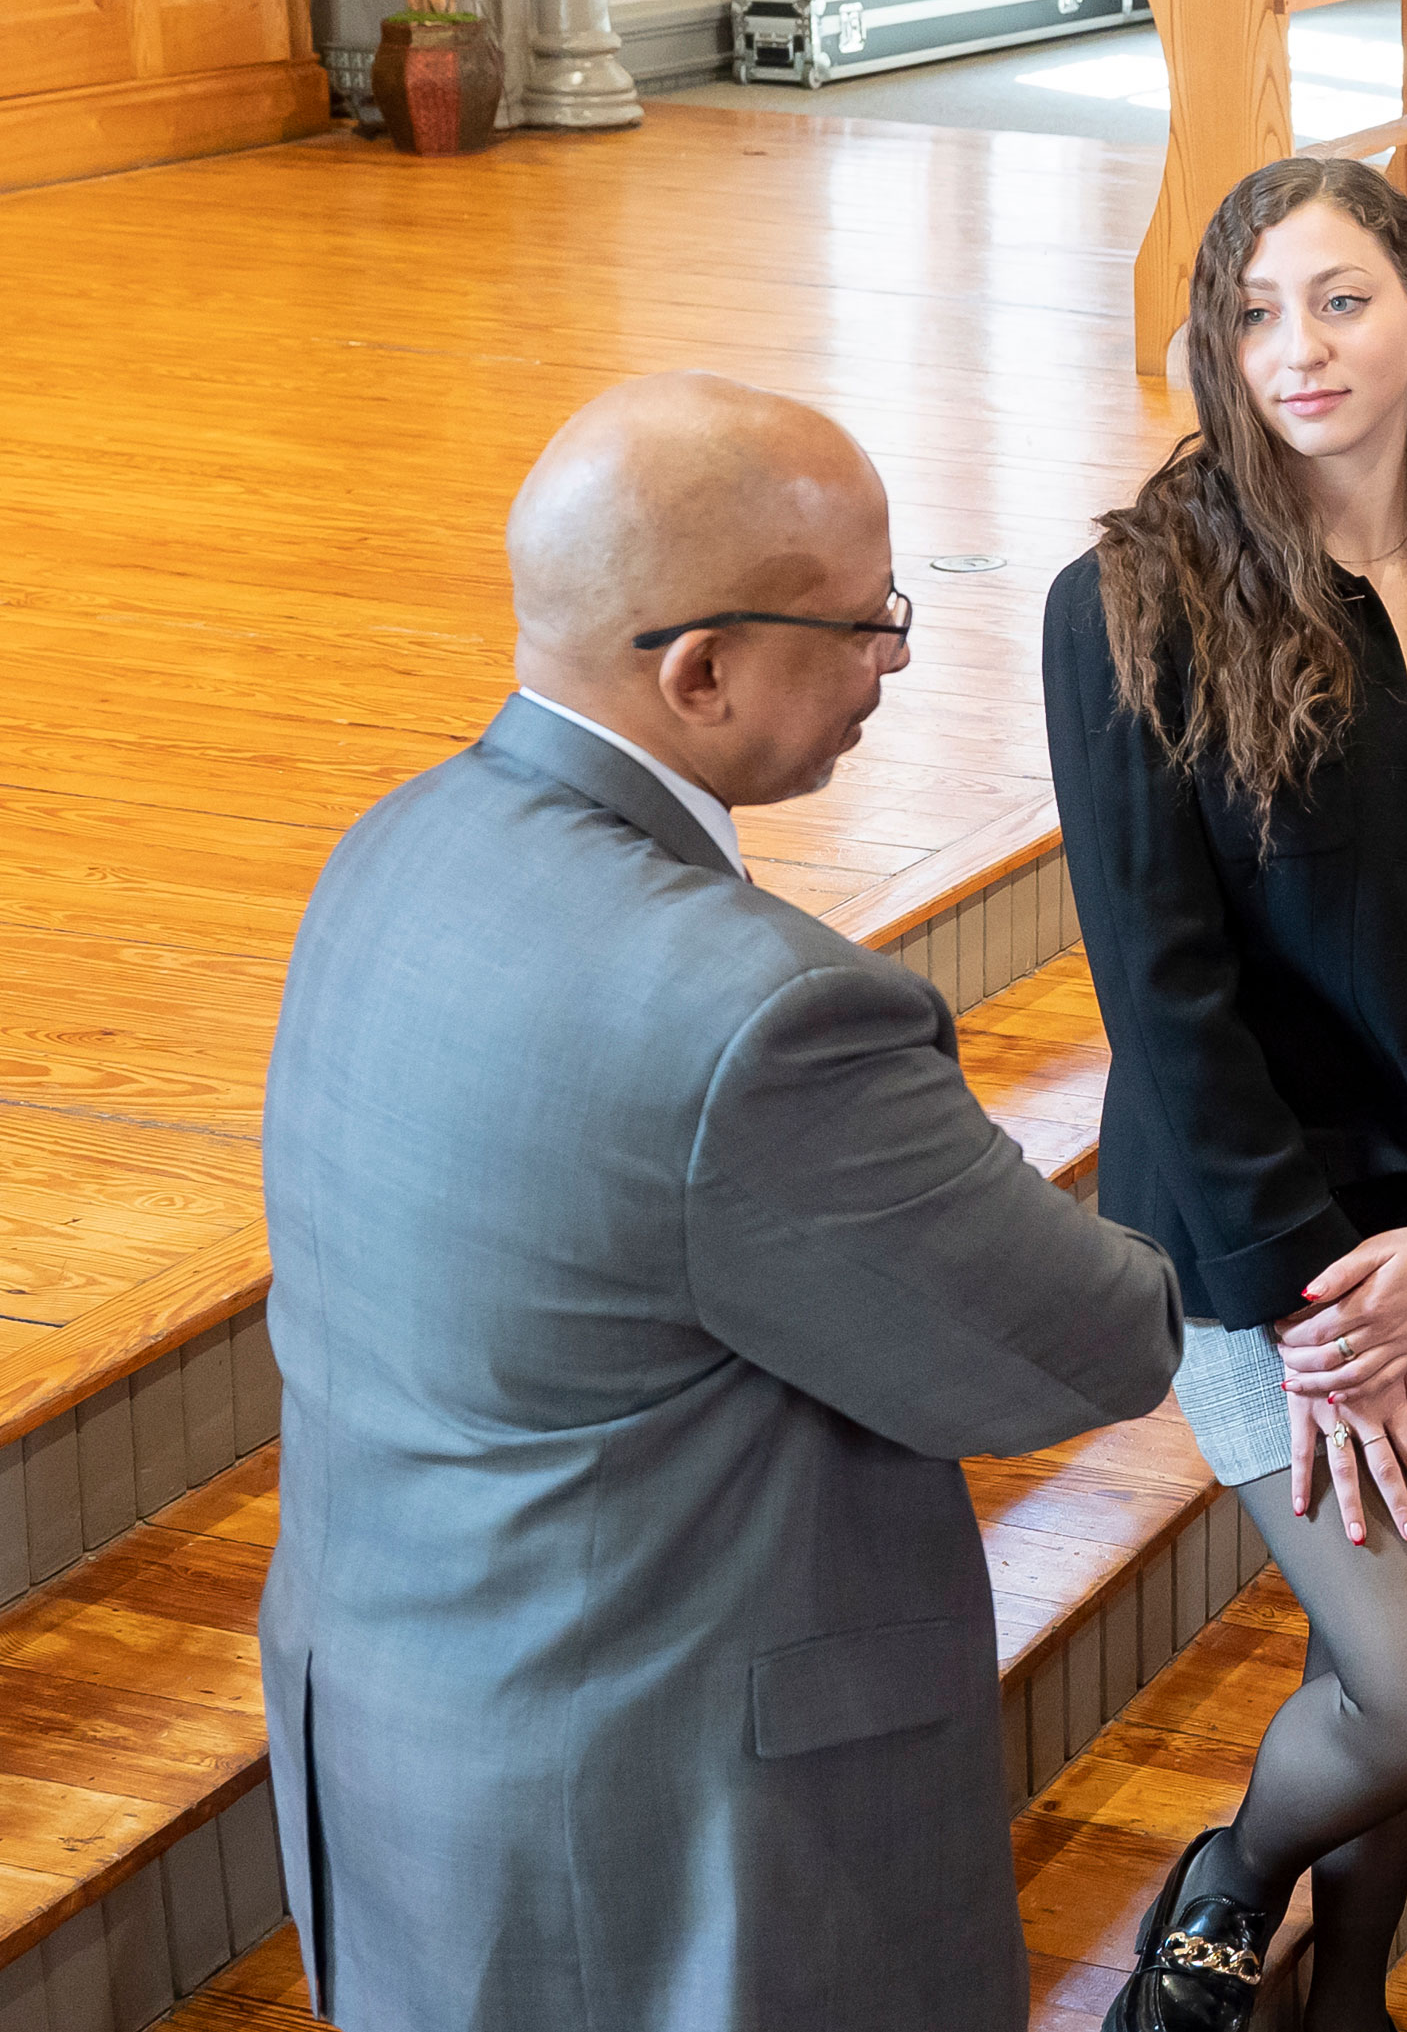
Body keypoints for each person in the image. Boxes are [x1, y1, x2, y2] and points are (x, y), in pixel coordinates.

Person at [257, 374, 1188, 2032]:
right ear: (697, 668)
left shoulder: (381, 849)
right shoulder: (760, 1017)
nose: (895, 662)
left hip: (397, 1741)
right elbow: (1089, 1339)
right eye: (865, 623)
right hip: (672, 1830)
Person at [1044, 156, 1407, 2032]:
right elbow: (1167, 991)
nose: (1299, 347)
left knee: (1381, 1664)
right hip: (1270, 1261)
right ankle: (1230, 1881)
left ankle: (1349, 1993)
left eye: (1343, 297)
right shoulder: (1128, 598)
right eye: (1254, 312)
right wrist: (1327, 1300)